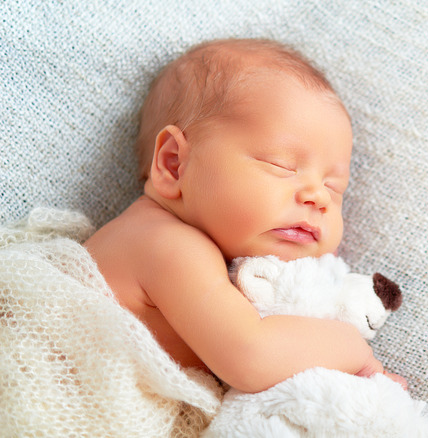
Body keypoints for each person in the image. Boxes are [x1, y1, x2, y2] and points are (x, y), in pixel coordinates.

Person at [84, 38, 406, 393]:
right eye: (281, 165)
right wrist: (354, 350)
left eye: (334, 187)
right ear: (174, 164)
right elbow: (251, 356)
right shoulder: (163, 244)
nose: (318, 197)